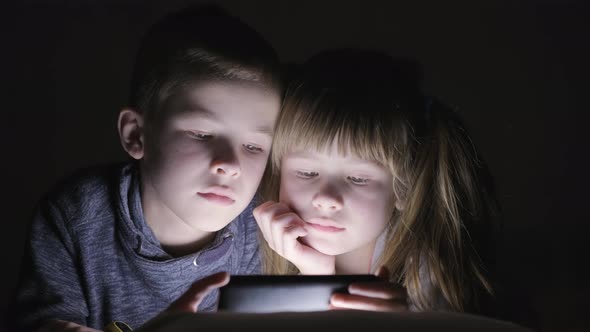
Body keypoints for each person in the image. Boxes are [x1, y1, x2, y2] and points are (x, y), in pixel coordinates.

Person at [13, 5, 283, 331]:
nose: (229, 165)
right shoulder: (75, 216)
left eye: (253, 147)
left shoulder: (267, 231)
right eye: (201, 134)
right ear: (136, 134)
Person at [254, 49, 500, 314]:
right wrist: (315, 274)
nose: (325, 198)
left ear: (402, 189)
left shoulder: (426, 278)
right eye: (307, 173)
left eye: (358, 178)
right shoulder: (251, 244)